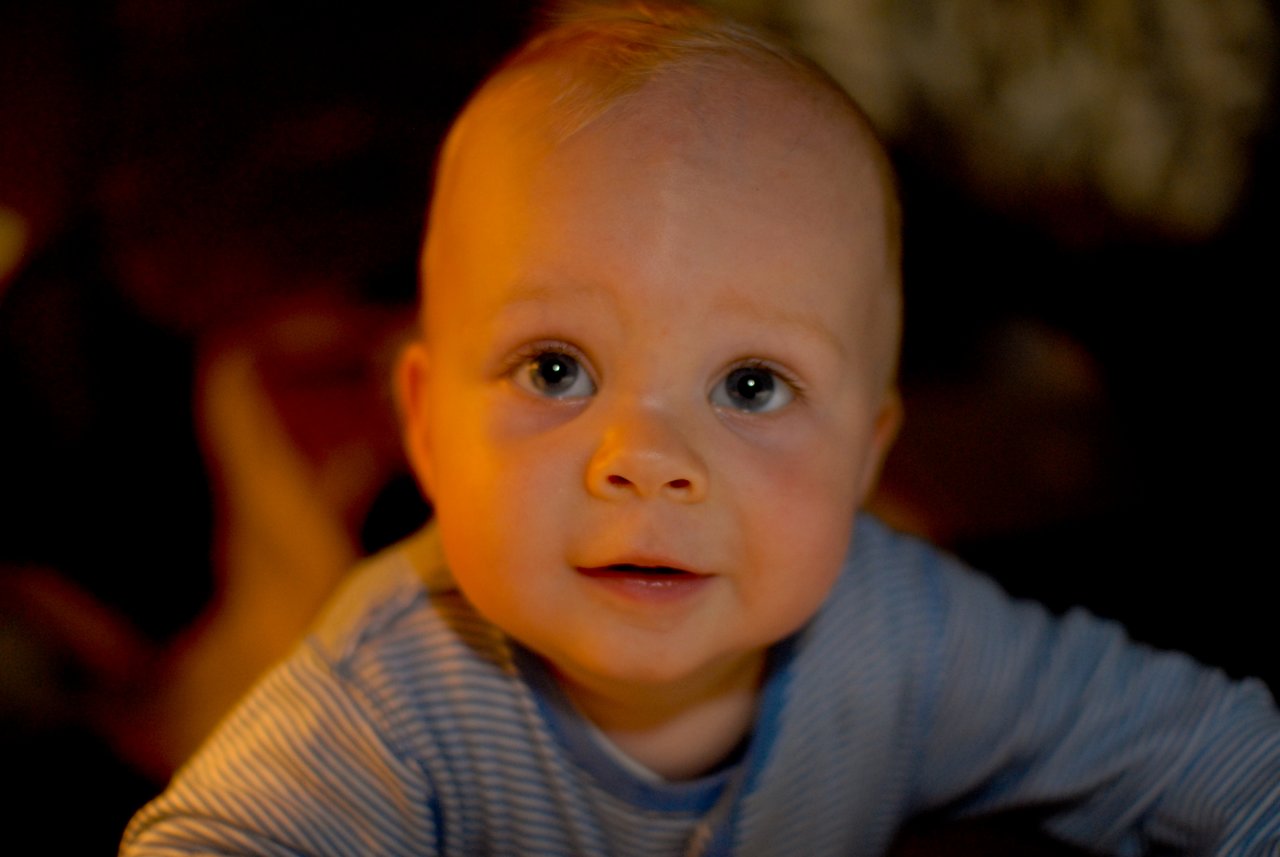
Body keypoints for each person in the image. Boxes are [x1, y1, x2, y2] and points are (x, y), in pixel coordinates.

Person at [120, 2, 1280, 854]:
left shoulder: (898, 627)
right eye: (556, 368)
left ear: (865, 455)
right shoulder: (394, 700)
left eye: (752, 385)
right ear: (423, 422)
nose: (647, 460)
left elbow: (1201, 752)